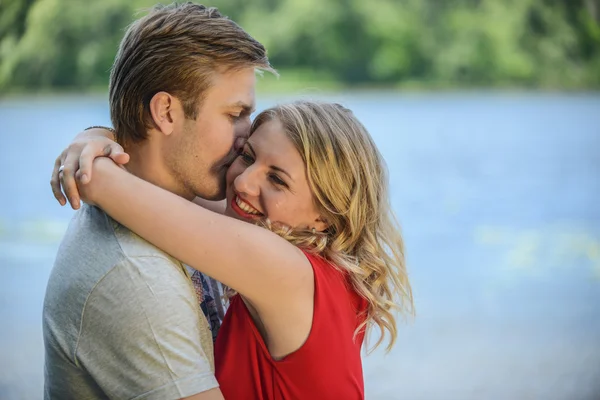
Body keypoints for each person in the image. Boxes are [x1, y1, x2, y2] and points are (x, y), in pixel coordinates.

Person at [57, 100, 414, 399]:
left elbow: (100, 183)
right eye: (247, 155)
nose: (243, 181)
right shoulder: (324, 266)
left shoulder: (283, 269)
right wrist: (100, 135)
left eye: (276, 179)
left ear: (324, 216)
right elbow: (159, 176)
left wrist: (89, 144)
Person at [42, 3, 273, 399]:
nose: (247, 136)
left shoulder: (183, 204)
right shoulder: (136, 278)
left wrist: (97, 135)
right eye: (235, 114)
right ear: (166, 112)